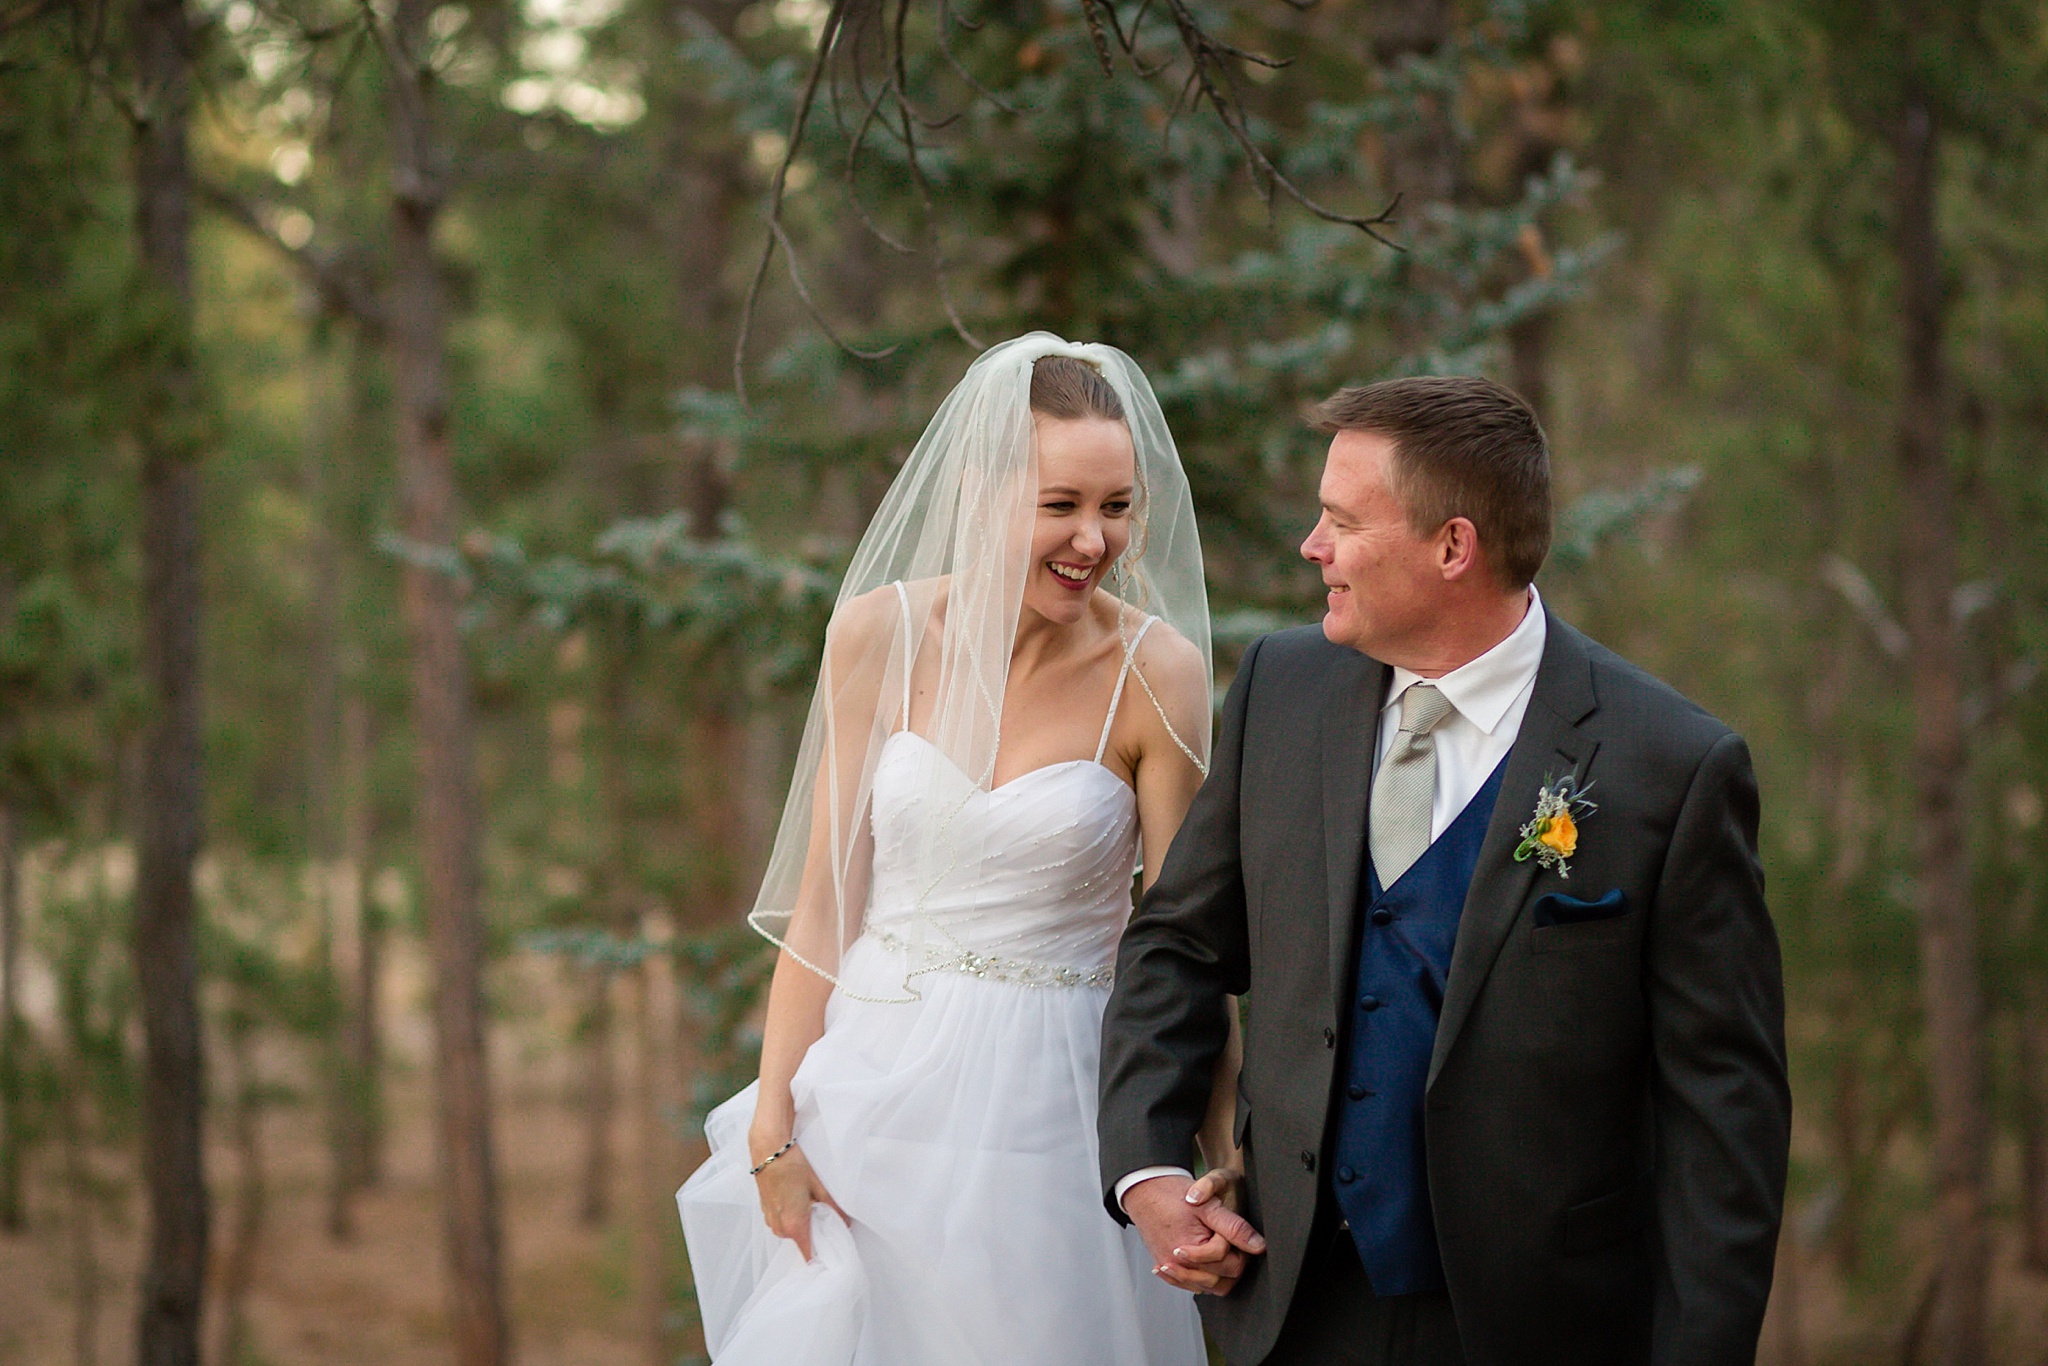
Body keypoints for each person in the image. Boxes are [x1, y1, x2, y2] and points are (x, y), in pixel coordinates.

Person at [1098, 375, 1791, 1365]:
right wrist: (1147, 1166)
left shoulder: (1667, 765)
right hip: (1293, 1305)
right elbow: (1175, 943)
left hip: (1540, 1326)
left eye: (1340, 520)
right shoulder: (1280, 690)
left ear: (1452, 546)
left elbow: (1725, 1117)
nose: (1312, 546)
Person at [678, 333, 1228, 1364]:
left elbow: (1188, 941)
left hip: (1052, 1112)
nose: (1092, 539)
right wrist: (774, 1123)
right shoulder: (876, 634)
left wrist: (1222, 1146)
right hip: (867, 1099)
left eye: (1115, 507)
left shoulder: (1157, 672)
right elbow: (825, 903)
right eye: (1058, 504)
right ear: (981, 493)